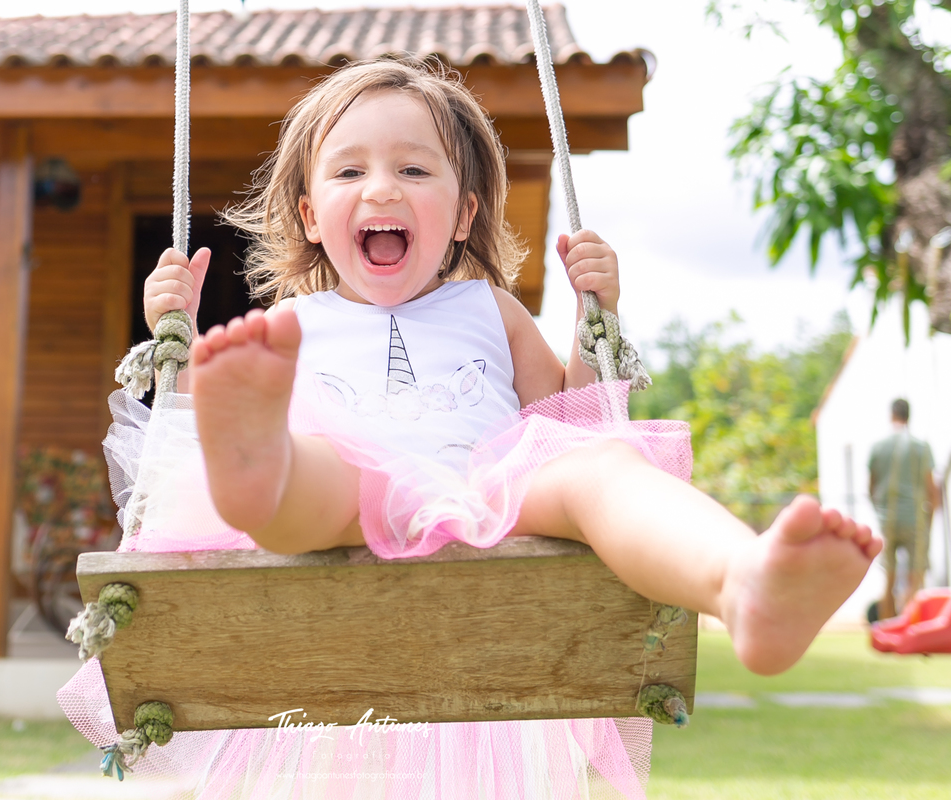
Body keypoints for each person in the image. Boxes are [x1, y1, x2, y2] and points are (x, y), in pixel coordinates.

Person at [61, 59, 880, 798]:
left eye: (413, 169)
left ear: (463, 214)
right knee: (318, 472)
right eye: (350, 171)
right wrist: (172, 328)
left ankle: (741, 581)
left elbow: (571, 418)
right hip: (350, 499)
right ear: (312, 216)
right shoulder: (289, 326)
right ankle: (253, 463)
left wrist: (599, 322)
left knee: (601, 467)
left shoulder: (491, 309)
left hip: (490, 497)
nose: (381, 188)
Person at [869, 398, 942, 619]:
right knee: (916, 575)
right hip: (915, 518)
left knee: (888, 577)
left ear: (892, 415)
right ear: (908, 416)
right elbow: (931, 488)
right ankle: (910, 625)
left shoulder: (879, 447)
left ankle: (885, 627)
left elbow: (870, 487)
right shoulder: (920, 446)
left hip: (887, 519)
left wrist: (879, 511)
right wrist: (930, 518)